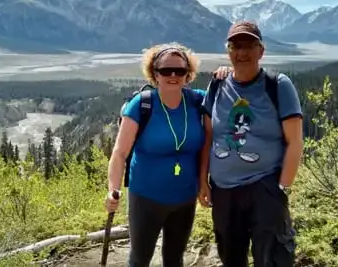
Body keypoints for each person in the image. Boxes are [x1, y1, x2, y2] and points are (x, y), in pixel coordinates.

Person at [105, 42, 229, 267]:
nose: (173, 75)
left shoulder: (197, 101)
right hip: (146, 197)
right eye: (165, 70)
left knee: (175, 258)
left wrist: (225, 74)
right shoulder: (142, 105)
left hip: (185, 198)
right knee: (140, 258)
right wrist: (113, 189)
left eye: (180, 71)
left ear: (188, 74)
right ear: (155, 74)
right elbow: (120, 153)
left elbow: (228, 93)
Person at [198, 21, 304, 267]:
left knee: (272, 259)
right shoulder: (217, 85)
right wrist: (202, 180)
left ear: (261, 51)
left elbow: (295, 141)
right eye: (236, 45)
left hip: (264, 187)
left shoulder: (277, 85)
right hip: (224, 190)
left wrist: (282, 188)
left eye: (249, 45)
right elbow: (208, 137)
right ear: (228, 51)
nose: (242, 52)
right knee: (231, 258)